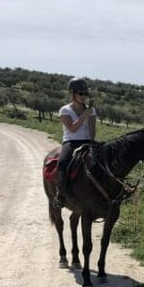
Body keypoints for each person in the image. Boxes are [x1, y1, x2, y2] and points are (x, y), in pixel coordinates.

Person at [54, 77, 97, 207]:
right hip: (71, 141)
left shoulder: (92, 110)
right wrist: (85, 114)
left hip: (87, 141)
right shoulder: (65, 110)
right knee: (62, 163)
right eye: (81, 93)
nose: (84, 96)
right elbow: (72, 129)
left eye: (86, 93)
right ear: (72, 94)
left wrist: (92, 143)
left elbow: (92, 130)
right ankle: (60, 194)